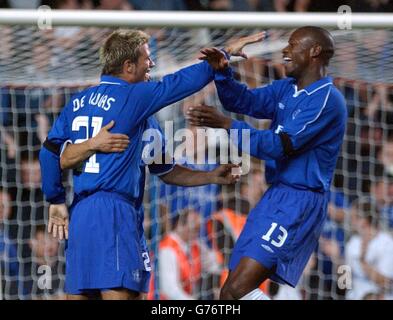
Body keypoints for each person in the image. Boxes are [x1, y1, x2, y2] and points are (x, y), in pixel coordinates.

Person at [39, 29, 242, 300]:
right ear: (128, 66)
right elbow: (178, 83)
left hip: (81, 214)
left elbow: (166, 170)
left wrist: (55, 198)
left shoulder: (77, 103)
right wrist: (222, 54)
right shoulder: (132, 98)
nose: (153, 64)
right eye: (148, 58)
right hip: (114, 213)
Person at [187, 26, 347, 300]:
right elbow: (243, 101)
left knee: (236, 291)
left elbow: (278, 146)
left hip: (298, 202)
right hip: (275, 197)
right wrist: (223, 72)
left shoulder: (326, 100)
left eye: (293, 45)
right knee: (231, 293)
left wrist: (226, 125)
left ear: (314, 52)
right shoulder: (287, 89)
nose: (285, 51)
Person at [158, 209, 221, 300]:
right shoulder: (167, 249)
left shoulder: (195, 246)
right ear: (180, 225)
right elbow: (169, 289)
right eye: (194, 229)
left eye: (198, 229)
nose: (196, 233)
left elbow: (214, 266)